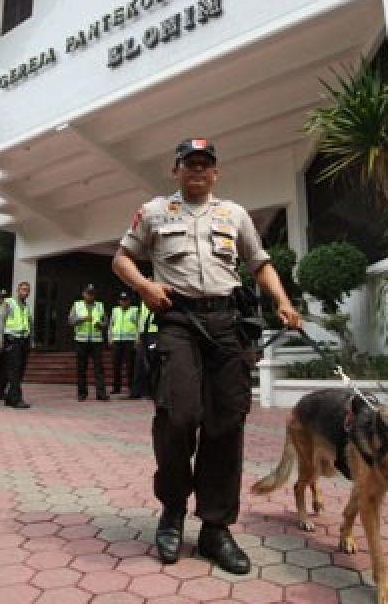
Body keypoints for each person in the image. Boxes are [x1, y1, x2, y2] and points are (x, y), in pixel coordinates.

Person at [112, 138, 301, 575]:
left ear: (215, 173)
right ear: (175, 170)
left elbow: (260, 263)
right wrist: (144, 287)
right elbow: (122, 259)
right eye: (189, 163)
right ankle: (173, 510)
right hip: (177, 320)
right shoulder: (156, 211)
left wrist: (283, 303)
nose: (198, 170)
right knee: (178, 416)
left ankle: (216, 527)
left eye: (205, 164)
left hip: (225, 324)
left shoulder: (233, 214)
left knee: (226, 422)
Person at [69, 283, 109, 401]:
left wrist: (100, 325)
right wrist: (82, 319)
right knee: (81, 368)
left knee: (99, 369)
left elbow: (106, 322)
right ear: (83, 294)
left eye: (92, 294)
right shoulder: (77, 305)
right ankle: (82, 394)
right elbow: (70, 321)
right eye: (88, 293)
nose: (90, 296)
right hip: (81, 340)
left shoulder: (100, 306)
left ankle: (101, 394)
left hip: (96, 341)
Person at [0, 282, 34, 408]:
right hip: (12, 340)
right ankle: (16, 399)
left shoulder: (26, 306)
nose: (26, 292)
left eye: (28, 290)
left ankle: (9, 397)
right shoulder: (9, 303)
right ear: (18, 290)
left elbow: (30, 324)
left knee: (21, 369)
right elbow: (1, 321)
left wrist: (31, 341)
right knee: (15, 370)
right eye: (23, 289)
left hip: (24, 341)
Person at [108, 291, 139, 396]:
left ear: (129, 301)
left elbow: (139, 326)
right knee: (116, 365)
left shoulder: (134, 310)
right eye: (122, 300)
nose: (124, 302)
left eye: (126, 300)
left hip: (129, 341)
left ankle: (131, 387)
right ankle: (116, 388)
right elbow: (111, 325)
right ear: (119, 301)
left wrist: (137, 339)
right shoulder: (115, 310)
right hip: (117, 341)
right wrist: (110, 338)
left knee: (130, 366)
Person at [128, 294, 159, 400]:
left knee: (152, 363)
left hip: (154, 333)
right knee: (139, 363)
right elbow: (140, 320)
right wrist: (138, 336)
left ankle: (151, 391)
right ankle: (136, 392)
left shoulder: (157, 297)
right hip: (143, 334)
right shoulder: (142, 301)